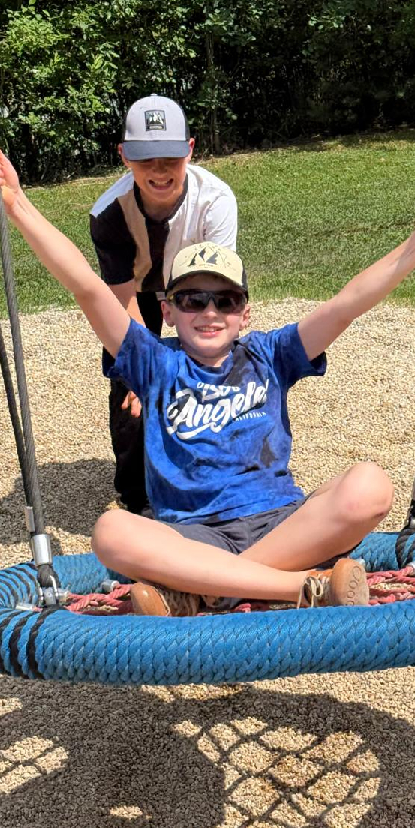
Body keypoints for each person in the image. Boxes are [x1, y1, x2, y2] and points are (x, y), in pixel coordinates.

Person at [0, 141, 415, 617]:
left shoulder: (270, 354)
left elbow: (346, 305)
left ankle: (204, 593)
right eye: (192, 300)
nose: (209, 312)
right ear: (167, 310)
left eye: (224, 301)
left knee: (371, 485)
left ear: (244, 312)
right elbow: (86, 286)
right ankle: (295, 586)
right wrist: (16, 204)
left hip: (280, 524)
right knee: (112, 532)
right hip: (192, 533)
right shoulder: (154, 361)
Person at [89, 95, 237, 515]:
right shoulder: (108, 213)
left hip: (198, 288)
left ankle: (211, 478)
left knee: (210, 371)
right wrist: (145, 370)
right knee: (131, 380)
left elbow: (215, 290)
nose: (158, 170)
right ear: (124, 156)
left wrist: (198, 357)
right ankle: (135, 496)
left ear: (190, 149)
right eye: (145, 159)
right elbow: (120, 299)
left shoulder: (216, 201)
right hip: (135, 293)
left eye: (170, 157)